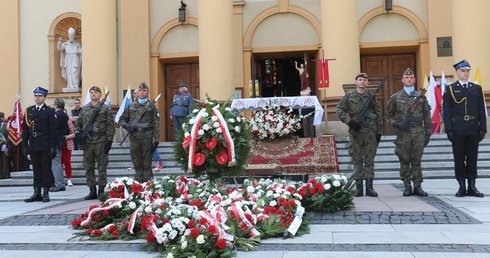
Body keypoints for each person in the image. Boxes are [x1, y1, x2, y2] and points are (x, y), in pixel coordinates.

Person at [385, 68, 432, 197]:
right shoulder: (396, 97)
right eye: (407, 78)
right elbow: (387, 115)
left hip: (418, 132)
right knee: (404, 160)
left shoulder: (421, 96)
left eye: (411, 78)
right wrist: (396, 123)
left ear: (414, 80)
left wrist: (428, 130)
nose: (409, 79)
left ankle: (418, 186)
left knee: (416, 160)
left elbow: (426, 114)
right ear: (402, 80)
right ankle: (407, 186)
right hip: (404, 133)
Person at [443, 59, 486, 198]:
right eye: (463, 71)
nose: (465, 73)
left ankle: (472, 186)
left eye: (467, 71)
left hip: (473, 127)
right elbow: (447, 111)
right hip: (458, 128)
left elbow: (481, 109)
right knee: (459, 158)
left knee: (472, 158)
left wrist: (483, 128)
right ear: (457, 72)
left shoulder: (476, 88)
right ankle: (461, 186)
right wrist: (449, 129)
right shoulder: (450, 89)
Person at [336, 73, 382, 197]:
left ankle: (370, 188)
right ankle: (359, 188)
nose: (362, 82)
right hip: (356, 133)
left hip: (370, 133)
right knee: (357, 159)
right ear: (356, 82)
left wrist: (379, 132)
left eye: (364, 80)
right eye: (360, 80)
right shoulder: (349, 96)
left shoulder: (371, 97)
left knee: (369, 160)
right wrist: (349, 122)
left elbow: (377, 114)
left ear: (367, 83)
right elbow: (339, 110)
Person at [74, 86, 115, 200]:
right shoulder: (85, 108)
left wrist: (110, 140)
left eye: (96, 92)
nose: (93, 94)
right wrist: (78, 134)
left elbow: (110, 125)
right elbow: (78, 123)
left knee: (102, 167)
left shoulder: (105, 109)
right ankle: (92, 190)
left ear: (100, 95)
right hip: (88, 143)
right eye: (91, 92)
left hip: (101, 141)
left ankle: (101, 190)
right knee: (88, 167)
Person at [22, 87, 58, 202]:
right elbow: (25, 130)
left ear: (44, 97)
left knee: (45, 168)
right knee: (36, 169)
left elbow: (53, 130)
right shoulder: (29, 110)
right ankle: (36, 192)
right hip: (33, 143)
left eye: (40, 96)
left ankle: (45, 192)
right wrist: (24, 146)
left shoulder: (49, 111)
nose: (37, 98)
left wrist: (53, 146)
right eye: (36, 96)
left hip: (45, 142)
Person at [119, 82, 160, 182]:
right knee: (136, 162)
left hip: (147, 136)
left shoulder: (152, 107)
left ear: (148, 92)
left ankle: (147, 185)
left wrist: (156, 140)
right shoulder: (131, 106)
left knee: (147, 163)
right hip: (135, 136)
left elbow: (156, 124)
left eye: (144, 90)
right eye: (140, 90)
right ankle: (138, 184)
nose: (142, 93)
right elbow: (121, 119)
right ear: (137, 92)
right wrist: (126, 126)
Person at [126, 89, 163, 171]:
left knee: (150, 146)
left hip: (146, 131)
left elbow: (156, 117)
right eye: (134, 93)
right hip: (135, 132)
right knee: (136, 149)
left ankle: (158, 161)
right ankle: (136, 164)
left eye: (136, 93)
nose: (135, 94)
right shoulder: (132, 105)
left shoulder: (149, 105)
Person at [50, 98, 69, 192]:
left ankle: (60, 184)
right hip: (60, 139)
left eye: (53, 104)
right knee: (57, 162)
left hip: (55, 140)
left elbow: (54, 128)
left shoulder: (56, 115)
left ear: (56, 105)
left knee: (56, 162)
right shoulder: (65, 115)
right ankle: (59, 183)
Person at [62, 109, 75, 186]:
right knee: (59, 163)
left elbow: (73, 133)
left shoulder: (69, 122)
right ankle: (60, 179)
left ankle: (69, 179)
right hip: (59, 145)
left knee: (67, 162)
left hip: (67, 144)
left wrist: (67, 137)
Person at [0, 112, 10, 179]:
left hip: (4, 146)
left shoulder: (7, 126)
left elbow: (9, 137)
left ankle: (6, 175)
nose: (1, 119)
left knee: (5, 161)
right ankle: (1, 175)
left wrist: (6, 144)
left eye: (1, 117)